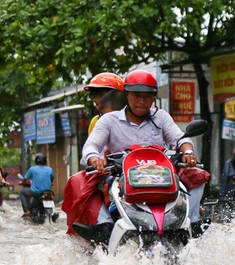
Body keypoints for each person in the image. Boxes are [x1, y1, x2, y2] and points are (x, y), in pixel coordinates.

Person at [78, 69, 206, 240]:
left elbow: (180, 139)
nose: (141, 101)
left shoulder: (161, 117)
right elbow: (91, 146)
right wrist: (95, 159)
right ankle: (105, 225)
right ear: (126, 95)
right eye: (136, 95)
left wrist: (188, 152)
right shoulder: (108, 120)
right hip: (120, 175)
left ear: (154, 96)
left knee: (197, 174)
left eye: (147, 96)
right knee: (89, 185)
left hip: (161, 173)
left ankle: (190, 221)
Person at [20, 153, 55, 218]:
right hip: (47, 192)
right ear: (45, 161)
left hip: (35, 192)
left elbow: (25, 179)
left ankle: (27, 211)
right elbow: (52, 179)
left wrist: (22, 183)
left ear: (36, 160)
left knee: (22, 192)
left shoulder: (32, 169)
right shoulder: (50, 169)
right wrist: (51, 184)